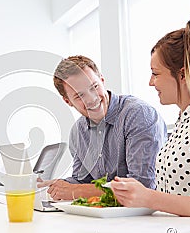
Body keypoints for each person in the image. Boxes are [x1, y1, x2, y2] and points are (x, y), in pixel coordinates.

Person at [111, 15, 190, 222]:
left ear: (182, 75)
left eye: (155, 73)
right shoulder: (186, 121)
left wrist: (150, 198)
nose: (150, 82)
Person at [37, 55, 167, 200]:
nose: (91, 99)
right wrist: (55, 186)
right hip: (107, 217)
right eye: (80, 96)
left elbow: (143, 185)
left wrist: (76, 190)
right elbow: (82, 181)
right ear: (68, 101)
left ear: (102, 80)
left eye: (94, 87)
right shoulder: (78, 131)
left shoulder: (138, 114)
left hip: (146, 215)